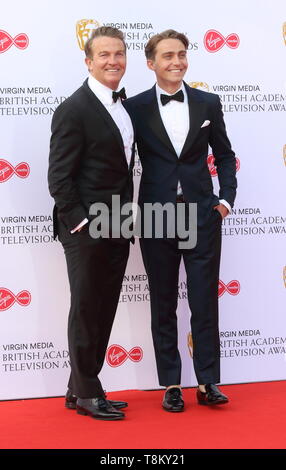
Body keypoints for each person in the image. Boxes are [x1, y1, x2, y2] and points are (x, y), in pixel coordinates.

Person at [125, 30, 237, 411]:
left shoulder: (208, 103)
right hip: (156, 216)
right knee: (163, 301)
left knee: (205, 300)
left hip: (202, 214)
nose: (177, 61)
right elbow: (121, 162)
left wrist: (225, 201)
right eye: (168, 55)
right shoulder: (134, 107)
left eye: (182, 54)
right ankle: (170, 383)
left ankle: (207, 381)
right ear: (151, 63)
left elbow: (225, 155)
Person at [48, 26, 134, 420]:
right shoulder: (73, 108)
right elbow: (59, 178)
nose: (113, 61)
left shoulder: (124, 105)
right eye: (104, 55)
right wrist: (80, 223)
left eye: (119, 54)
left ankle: (79, 386)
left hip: (119, 224)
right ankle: (87, 393)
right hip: (87, 229)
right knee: (87, 308)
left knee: (103, 308)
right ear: (88, 61)